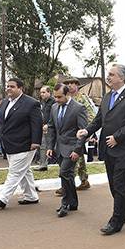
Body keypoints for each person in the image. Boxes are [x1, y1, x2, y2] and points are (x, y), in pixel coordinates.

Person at [77, 64, 125, 235]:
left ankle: (116, 221)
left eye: (112, 75)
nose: (109, 77)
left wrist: (117, 137)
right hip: (108, 148)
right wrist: (87, 130)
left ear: (122, 78)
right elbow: (99, 119)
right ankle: (124, 212)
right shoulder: (107, 96)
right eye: (109, 74)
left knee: (120, 184)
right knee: (114, 184)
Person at [0, 78, 42, 209]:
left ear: (20, 88)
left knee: (15, 172)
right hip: (9, 144)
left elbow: (37, 124)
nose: (8, 89)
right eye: (7, 86)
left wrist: (36, 141)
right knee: (24, 171)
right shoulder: (4, 102)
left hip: (26, 144)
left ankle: (3, 198)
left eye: (12, 86)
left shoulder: (31, 103)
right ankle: (31, 196)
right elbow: (0, 122)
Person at [47, 83, 88, 217]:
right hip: (59, 148)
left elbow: (83, 132)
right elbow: (52, 128)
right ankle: (73, 203)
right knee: (68, 175)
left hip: (72, 148)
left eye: (59, 97)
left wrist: (77, 150)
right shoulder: (54, 107)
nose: (57, 100)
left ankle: (65, 204)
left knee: (63, 172)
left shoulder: (78, 108)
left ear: (67, 94)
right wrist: (49, 147)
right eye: (55, 97)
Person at [66, 77, 92, 191]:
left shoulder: (82, 98)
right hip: (68, 133)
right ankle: (84, 180)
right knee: (79, 155)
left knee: (74, 157)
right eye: (68, 84)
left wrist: (88, 131)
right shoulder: (66, 99)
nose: (70, 85)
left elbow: (91, 115)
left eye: (72, 83)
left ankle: (67, 184)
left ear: (77, 85)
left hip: (80, 132)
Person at [37, 85, 54, 171]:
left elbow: (54, 115)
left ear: (49, 92)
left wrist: (48, 124)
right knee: (43, 145)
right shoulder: (42, 102)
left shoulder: (54, 102)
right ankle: (43, 164)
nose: (42, 94)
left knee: (50, 145)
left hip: (51, 127)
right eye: (41, 93)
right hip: (43, 127)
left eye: (44, 92)